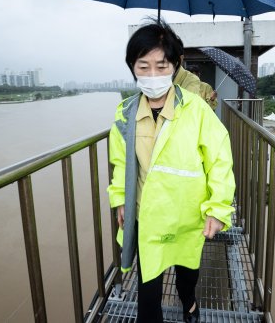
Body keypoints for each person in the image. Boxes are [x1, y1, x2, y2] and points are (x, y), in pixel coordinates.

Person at [107, 21, 235, 323]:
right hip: (147, 214)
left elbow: (219, 158)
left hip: (187, 213)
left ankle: (189, 303)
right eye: (143, 66)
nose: (152, 75)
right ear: (132, 68)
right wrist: (120, 199)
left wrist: (217, 209)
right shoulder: (125, 112)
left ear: (175, 66)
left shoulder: (196, 109)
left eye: (161, 66)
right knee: (147, 284)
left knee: (187, 271)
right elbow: (121, 162)